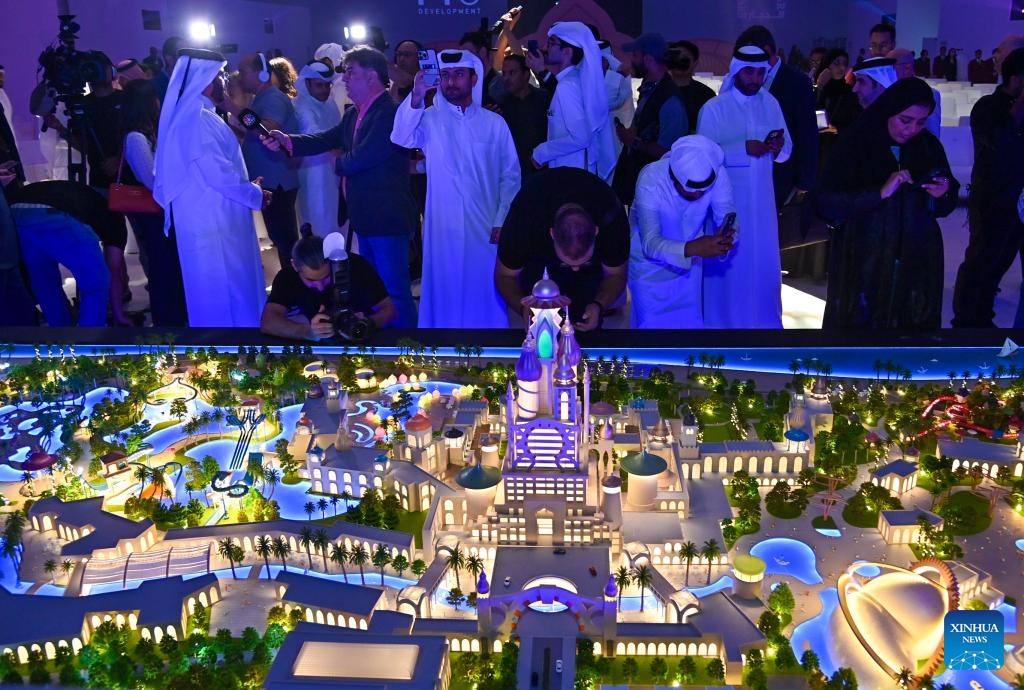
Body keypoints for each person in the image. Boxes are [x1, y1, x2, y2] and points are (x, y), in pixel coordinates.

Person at [265, 46, 419, 329]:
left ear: (372, 76)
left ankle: (407, 350)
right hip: (367, 218)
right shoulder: (354, 114)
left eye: (351, 72)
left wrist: (339, 160)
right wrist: (287, 140)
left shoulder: (388, 113)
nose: (344, 79)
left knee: (395, 292)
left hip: (387, 219)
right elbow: (326, 138)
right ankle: (385, 347)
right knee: (379, 294)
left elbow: (362, 158)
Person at [391, 49, 520, 328]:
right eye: (446, 75)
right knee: (444, 290)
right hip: (442, 227)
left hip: (485, 225)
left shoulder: (494, 124)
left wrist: (502, 219)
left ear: (474, 79)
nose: (451, 82)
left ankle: (488, 355)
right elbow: (401, 137)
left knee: (484, 290)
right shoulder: (429, 119)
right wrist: (416, 94)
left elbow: (510, 177)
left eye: (459, 75)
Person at [818, 78, 957, 329]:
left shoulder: (927, 146)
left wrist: (943, 192)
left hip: (917, 256)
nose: (912, 129)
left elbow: (948, 200)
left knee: (911, 328)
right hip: (863, 254)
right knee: (861, 328)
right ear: (889, 110)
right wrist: (878, 193)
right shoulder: (855, 142)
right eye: (905, 120)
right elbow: (827, 202)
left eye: (920, 122)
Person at [153, 48, 271, 328]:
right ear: (204, 78)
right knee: (226, 298)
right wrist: (255, 194)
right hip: (215, 227)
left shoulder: (199, 115)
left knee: (221, 295)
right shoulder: (196, 120)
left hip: (214, 220)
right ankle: (235, 361)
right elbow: (221, 176)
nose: (225, 81)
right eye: (219, 75)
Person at [697, 45, 791, 328]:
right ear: (737, 71)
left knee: (763, 267)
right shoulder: (714, 109)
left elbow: (788, 151)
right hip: (727, 203)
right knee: (729, 269)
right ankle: (722, 328)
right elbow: (702, 159)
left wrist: (776, 146)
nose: (755, 78)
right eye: (749, 71)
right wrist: (743, 149)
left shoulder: (771, 103)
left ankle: (764, 328)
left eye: (761, 72)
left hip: (763, 206)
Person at [495, 167, 628, 329]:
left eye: (582, 262)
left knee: (586, 319)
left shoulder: (611, 215)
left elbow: (616, 274)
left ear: (596, 231)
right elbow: (505, 275)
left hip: (592, 272)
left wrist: (599, 305)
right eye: (568, 262)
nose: (576, 269)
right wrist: (523, 308)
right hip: (538, 262)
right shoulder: (525, 217)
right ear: (551, 234)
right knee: (541, 327)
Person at [628, 135, 737, 328]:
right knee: (651, 335)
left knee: (688, 332)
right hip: (649, 270)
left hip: (689, 272)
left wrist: (728, 237)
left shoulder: (718, 174)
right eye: (691, 190)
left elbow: (728, 215)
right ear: (674, 176)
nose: (697, 195)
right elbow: (650, 243)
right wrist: (693, 248)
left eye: (703, 191)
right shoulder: (650, 178)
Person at [951, 48, 1024, 328]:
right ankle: (966, 321)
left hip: (1018, 199)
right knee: (980, 261)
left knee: (1001, 263)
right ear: (1016, 79)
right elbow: (1002, 141)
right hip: (992, 198)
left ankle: (983, 317)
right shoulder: (987, 108)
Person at [118, 78, 187, 326]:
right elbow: (150, 179)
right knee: (162, 265)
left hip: (159, 209)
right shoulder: (136, 138)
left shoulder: (147, 133)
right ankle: (167, 319)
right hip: (152, 211)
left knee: (167, 265)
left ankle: (173, 315)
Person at [8, 181, 117, 326]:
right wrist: (119, 314)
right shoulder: (114, 220)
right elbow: (115, 266)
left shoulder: (87, 195)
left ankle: (60, 334)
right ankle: (88, 338)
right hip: (57, 214)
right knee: (95, 283)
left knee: (45, 284)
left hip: (16, 212)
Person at [734, 25, 818, 208]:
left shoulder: (797, 82)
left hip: (782, 176)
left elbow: (807, 134)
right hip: (744, 176)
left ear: (767, 51)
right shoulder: (737, 80)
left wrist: (804, 182)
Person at [260, 233, 395, 340]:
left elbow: (388, 309)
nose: (319, 286)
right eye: (311, 280)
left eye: (326, 278)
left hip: (362, 338)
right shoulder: (287, 277)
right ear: (295, 266)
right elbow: (268, 322)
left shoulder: (356, 266)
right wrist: (308, 331)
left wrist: (369, 322)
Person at [532, 21, 617, 181]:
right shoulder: (573, 81)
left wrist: (542, 152)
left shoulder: (568, 86)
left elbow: (581, 137)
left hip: (573, 175)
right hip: (573, 171)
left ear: (567, 52)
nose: (545, 48)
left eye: (551, 43)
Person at [239, 51, 301, 267]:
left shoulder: (273, 97)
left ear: (262, 74)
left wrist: (233, 108)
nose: (239, 77)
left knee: (285, 240)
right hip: (272, 180)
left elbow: (268, 128)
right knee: (281, 239)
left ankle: (295, 289)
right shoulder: (261, 99)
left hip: (278, 181)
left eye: (244, 72)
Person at [612, 33, 686, 206]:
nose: (631, 60)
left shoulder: (670, 100)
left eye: (635, 56)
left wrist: (633, 141)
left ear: (648, 59)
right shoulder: (651, 89)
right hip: (642, 185)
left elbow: (670, 152)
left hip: (656, 192)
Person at [292, 60, 342, 239]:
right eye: (319, 85)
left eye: (327, 85)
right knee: (317, 216)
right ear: (307, 83)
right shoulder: (300, 105)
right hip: (312, 171)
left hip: (334, 168)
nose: (324, 90)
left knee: (336, 216)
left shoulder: (330, 103)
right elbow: (313, 133)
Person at [499, 54, 552, 179]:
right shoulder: (501, 107)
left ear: (526, 74)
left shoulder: (545, 99)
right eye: (504, 73)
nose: (506, 78)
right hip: (515, 175)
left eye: (512, 73)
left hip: (544, 171)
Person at [666, 41, 715, 135]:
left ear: (695, 63)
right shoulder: (657, 91)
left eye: (684, 58)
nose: (679, 61)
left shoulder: (706, 94)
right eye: (675, 57)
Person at [889, 48, 941, 137]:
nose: (886, 72)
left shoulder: (929, 94)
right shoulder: (885, 92)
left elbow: (933, 133)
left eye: (891, 67)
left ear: (908, 68)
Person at [816, 50, 860, 132]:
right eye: (837, 63)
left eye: (845, 64)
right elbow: (819, 123)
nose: (842, 68)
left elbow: (854, 123)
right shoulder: (815, 89)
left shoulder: (850, 92)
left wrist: (837, 129)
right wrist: (820, 88)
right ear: (827, 65)